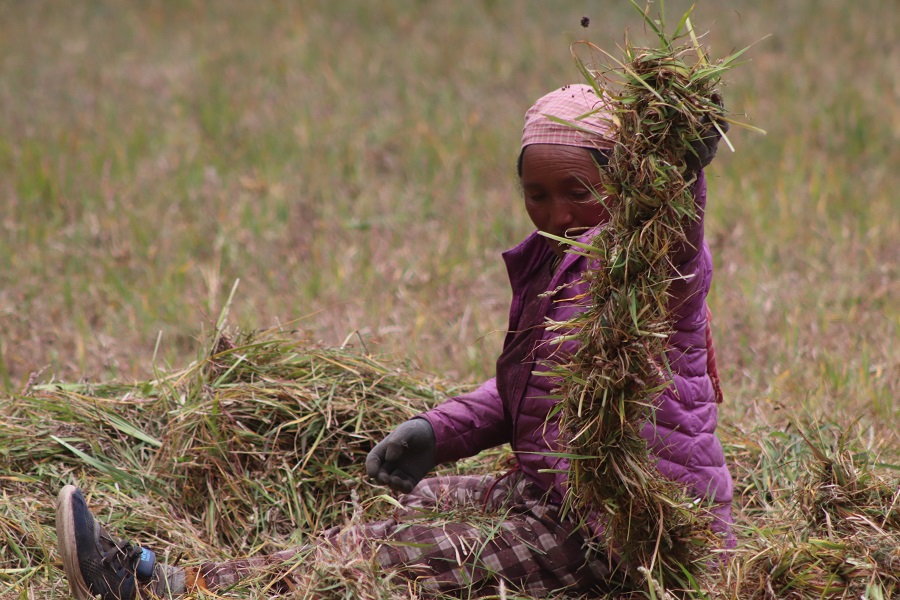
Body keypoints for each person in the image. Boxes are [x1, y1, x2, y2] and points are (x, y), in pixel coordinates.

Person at [55, 84, 732, 599]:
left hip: (623, 540)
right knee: (406, 513)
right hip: (550, 496)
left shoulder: (646, 271)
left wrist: (680, 174)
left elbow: (678, 241)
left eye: (579, 192)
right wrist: (438, 431)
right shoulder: (554, 265)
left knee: (379, 565)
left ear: (629, 186)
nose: (556, 214)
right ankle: (213, 578)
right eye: (537, 194)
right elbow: (540, 386)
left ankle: (167, 587)